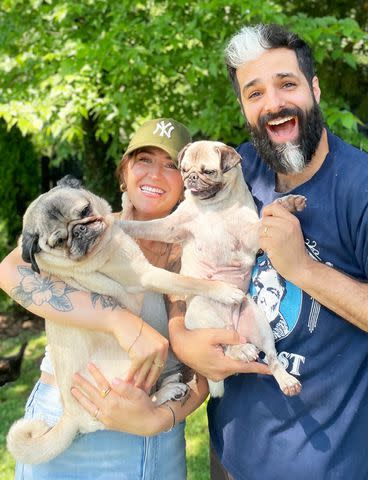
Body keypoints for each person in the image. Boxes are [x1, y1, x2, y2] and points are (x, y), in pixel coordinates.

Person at [168, 24, 368, 479]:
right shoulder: (235, 173)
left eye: (287, 84)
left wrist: (303, 269)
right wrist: (181, 333)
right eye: (254, 93)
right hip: (229, 458)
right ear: (243, 108)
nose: (273, 103)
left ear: (314, 89)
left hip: (328, 467)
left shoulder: (360, 188)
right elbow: (175, 248)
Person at [1, 117, 210, 480]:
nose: (156, 174)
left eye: (172, 165)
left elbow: (205, 371)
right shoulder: (76, 228)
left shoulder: (199, 257)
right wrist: (118, 319)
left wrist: (159, 419)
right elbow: (9, 272)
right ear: (124, 171)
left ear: (188, 181)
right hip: (63, 424)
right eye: (144, 159)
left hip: (153, 435)